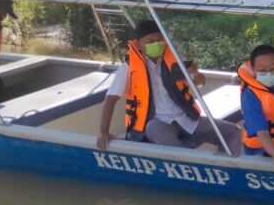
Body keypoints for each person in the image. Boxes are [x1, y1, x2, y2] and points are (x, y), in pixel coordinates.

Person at [96, 20, 242, 156]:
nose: (156, 44)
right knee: (153, 128)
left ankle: (224, 167)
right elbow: (110, 100)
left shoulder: (175, 60)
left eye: (159, 40)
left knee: (233, 132)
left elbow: (199, 82)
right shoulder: (128, 69)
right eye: (150, 41)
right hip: (157, 123)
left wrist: (197, 76)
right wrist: (104, 132)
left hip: (185, 118)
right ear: (138, 44)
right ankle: (189, 161)